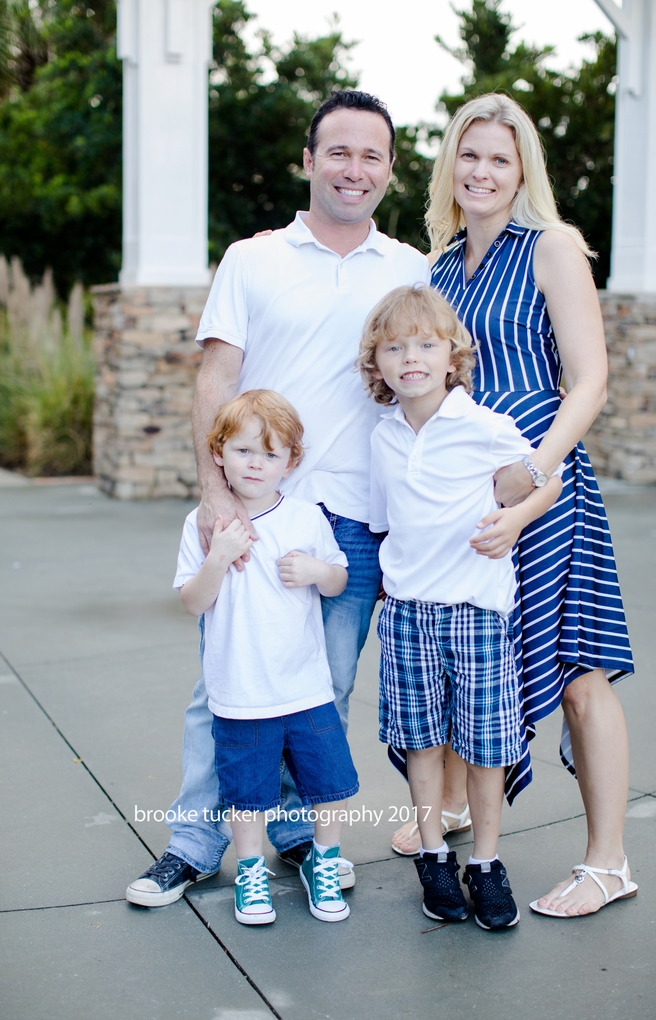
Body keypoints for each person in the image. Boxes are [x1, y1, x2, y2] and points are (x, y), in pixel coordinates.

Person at [126, 89, 433, 908]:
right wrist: (212, 495)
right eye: (338, 150)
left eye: (372, 154)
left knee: (319, 694)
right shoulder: (252, 258)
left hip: (358, 523)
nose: (353, 167)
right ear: (307, 161)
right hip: (262, 511)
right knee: (225, 690)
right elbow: (217, 377)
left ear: (390, 171)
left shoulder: (411, 269)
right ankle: (193, 845)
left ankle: (294, 834)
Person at [390, 93, 636, 919]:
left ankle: (608, 862)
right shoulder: (439, 264)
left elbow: (590, 375)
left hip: (542, 474)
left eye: (500, 157)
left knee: (576, 669)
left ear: (522, 168)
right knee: (467, 643)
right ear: (449, 165)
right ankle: (454, 809)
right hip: (464, 485)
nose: (482, 171)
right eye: (469, 154)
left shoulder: (553, 246)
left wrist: (536, 468)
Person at [359, 283, 563, 929]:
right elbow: (383, 522)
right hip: (408, 614)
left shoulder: (483, 425)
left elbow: (546, 477)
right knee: (420, 743)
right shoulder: (383, 436)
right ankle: (432, 855)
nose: (410, 357)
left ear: (453, 357)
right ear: (378, 362)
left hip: (475, 612)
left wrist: (517, 517)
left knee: (485, 747)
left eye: (425, 344)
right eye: (394, 347)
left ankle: (485, 862)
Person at [174, 390, 357, 925]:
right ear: (218, 454)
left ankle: (324, 861)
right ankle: (251, 872)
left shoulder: (306, 519)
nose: (256, 464)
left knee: (327, 784)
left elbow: (339, 577)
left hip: (305, 688)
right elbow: (192, 602)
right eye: (244, 451)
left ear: (291, 463)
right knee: (247, 793)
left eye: (271, 454)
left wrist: (319, 573)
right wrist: (219, 558)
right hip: (239, 691)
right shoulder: (203, 525)